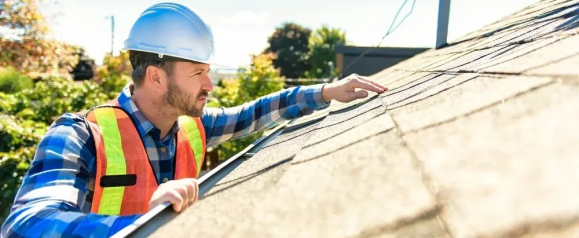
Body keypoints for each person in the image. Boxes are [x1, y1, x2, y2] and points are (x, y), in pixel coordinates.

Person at [0, 2, 387, 238]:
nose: (210, 85)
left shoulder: (189, 126)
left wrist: (324, 92)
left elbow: (254, 113)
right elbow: (25, 225)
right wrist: (138, 224)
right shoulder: (78, 136)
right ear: (155, 76)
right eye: (198, 73)